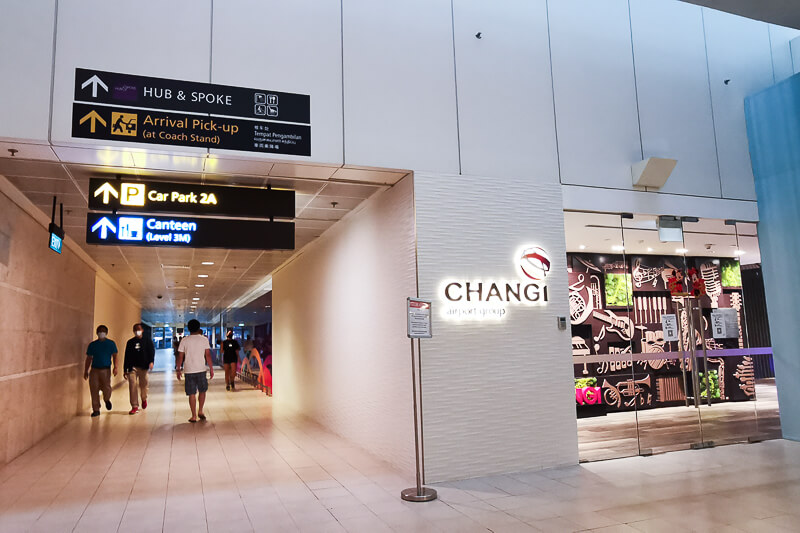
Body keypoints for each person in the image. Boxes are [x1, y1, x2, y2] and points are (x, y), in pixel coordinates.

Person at [176, 319, 214, 423]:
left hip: (188, 370)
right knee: (202, 390)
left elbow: (180, 356)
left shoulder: (184, 340)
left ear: (188, 328)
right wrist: (211, 368)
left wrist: (178, 369)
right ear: (198, 328)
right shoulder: (204, 339)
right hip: (201, 369)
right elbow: (208, 355)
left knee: (191, 393)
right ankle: (200, 411)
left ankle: (193, 416)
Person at [84, 325, 118, 417]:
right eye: (99, 331)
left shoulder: (111, 344)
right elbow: (89, 358)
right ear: (96, 333)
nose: (101, 333)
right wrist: (86, 370)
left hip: (105, 369)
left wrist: (116, 367)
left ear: (106, 333)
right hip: (94, 369)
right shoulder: (93, 345)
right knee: (94, 389)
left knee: (107, 388)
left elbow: (115, 356)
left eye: (103, 331)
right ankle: (96, 409)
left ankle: (107, 399)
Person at [123, 323, 155, 415]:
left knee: (143, 385)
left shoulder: (147, 341)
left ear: (142, 330)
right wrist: (125, 369)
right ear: (133, 331)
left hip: (143, 367)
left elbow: (151, 352)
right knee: (132, 385)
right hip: (132, 367)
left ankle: (144, 398)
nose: (137, 331)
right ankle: (134, 406)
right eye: (135, 329)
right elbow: (126, 356)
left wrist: (151, 362)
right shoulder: (130, 342)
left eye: (139, 329)